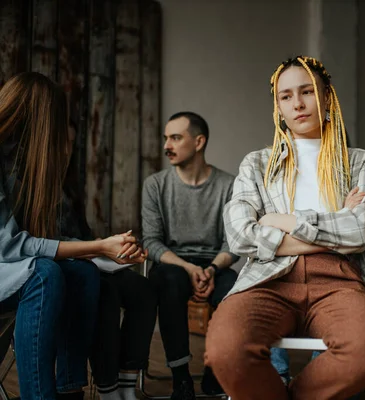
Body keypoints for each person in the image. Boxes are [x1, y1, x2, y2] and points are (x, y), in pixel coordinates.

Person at [204, 56, 365, 400]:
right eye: (286, 96)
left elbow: (361, 231)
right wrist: (333, 231)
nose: (297, 103)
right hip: (268, 278)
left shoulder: (361, 162)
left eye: (307, 91)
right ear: (278, 107)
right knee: (225, 350)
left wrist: (285, 221)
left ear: (326, 97)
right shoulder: (256, 163)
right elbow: (239, 235)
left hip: (339, 280)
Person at [0, 72, 146, 400]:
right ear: (37, 118)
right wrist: (99, 246)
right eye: (55, 120)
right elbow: (9, 247)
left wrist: (107, 249)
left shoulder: (22, 169)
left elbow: (39, 240)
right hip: (8, 268)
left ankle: (70, 389)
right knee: (44, 275)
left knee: (82, 273)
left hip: (9, 271)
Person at [53, 119, 159, 400]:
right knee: (106, 292)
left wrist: (118, 248)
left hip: (92, 260)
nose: (66, 150)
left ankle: (127, 384)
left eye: (71, 144)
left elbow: (86, 236)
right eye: (62, 141)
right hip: (64, 266)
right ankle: (108, 388)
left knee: (145, 289)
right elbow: (46, 243)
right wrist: (100, 249)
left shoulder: (68, 185)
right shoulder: (32, 183)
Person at [142, 111, 239, 399]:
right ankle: (181, 378)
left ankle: (215, 368)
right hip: (175, 263)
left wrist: (209, 269)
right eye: (165, 138)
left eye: (175, 138)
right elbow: (152, 242)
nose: (166, 146)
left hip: (215, 265)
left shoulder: (229, 185)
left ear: (198, 142)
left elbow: (233, 243)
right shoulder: (155, 185)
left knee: (235, 289)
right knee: (169, 282)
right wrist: (187, 267)